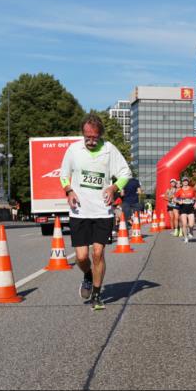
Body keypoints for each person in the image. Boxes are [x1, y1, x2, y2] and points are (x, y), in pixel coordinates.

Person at [60, 113, 132, 311]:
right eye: (87, 137)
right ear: (82, 134)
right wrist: (69, 191)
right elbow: (64, 175)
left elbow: (125, 173)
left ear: (100, 135)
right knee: (82, 257)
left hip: (103, 211)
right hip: (79, 211)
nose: (91, 141)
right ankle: (88, 275)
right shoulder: (74, 150)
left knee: (98, 253)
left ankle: (97, 295)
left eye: (95, 137)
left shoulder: (109, 150)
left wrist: (113, 187)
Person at [174, 176, 196, 243]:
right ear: (182, 182)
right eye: (184, 181)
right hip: (183, 208)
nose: (185, 182)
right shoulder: (180, 191)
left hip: (190, 208)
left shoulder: (192, 189)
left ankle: (191, 231)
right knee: (184, 224)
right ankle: (186, 237)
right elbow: (174, 199)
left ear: (188, 181)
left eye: (186, 181)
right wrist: (178, 201)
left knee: (191, 225)